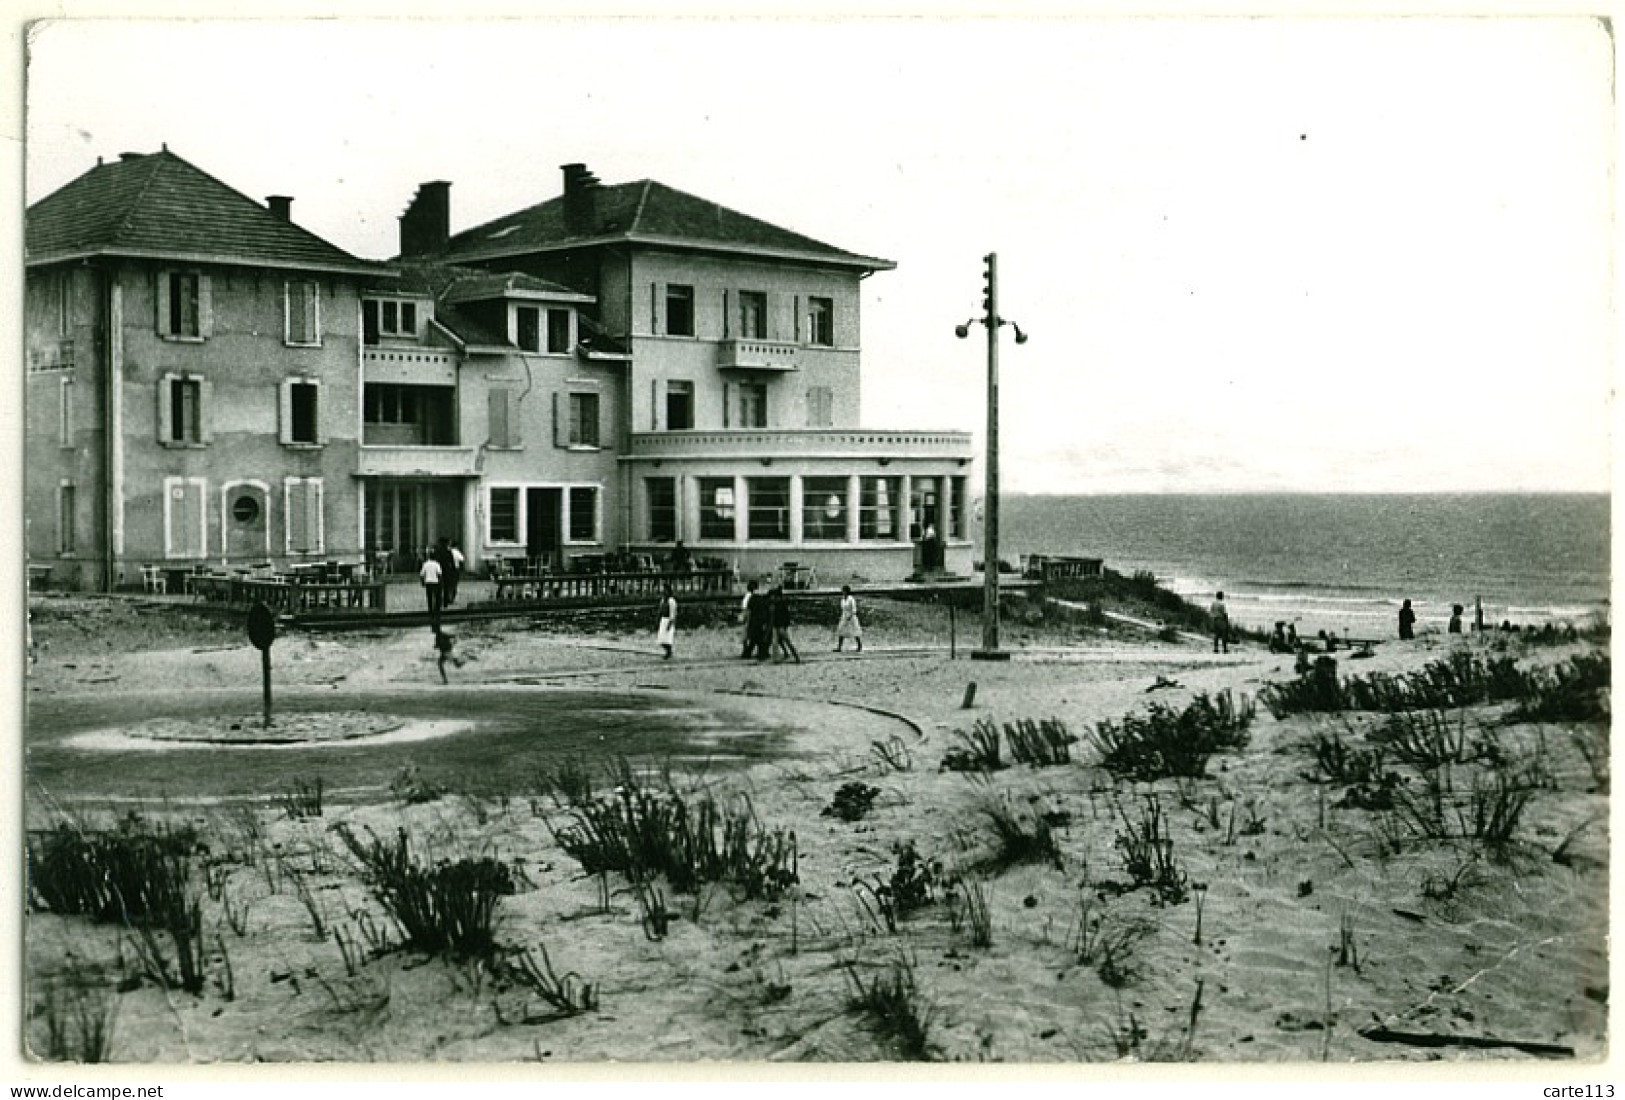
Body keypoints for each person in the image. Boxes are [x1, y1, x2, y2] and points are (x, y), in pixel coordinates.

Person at [770, 585, 801, 664]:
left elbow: (779, 616)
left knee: (784, 642)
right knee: (777, 642)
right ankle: (777, 658)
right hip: (779, 625)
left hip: (779, 625)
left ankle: (795, 656)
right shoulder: (780, 604)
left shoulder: (778, 605)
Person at [747, 579, 775, 661]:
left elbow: (750, 609)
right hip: (761, 620)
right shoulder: (766, 601)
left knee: (754, 639)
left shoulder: (753, 598)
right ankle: (762, 653)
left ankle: (749, 652)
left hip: (755, 620)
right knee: (762, 638)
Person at [433, 538, 460, 607]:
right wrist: (453, 570)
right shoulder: (448, 552)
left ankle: (438, 601)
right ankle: (445, 602)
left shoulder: (437, 552)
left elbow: (434, 561)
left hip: (438, 571)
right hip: (446, 571)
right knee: (446, 587)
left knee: (438, 587)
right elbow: (452, 562)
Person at [836, 585, 863, 653]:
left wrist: (850, 616)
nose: (843, 592)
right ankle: (839, 647)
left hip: (851, 617)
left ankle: (859, 645)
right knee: (841, 630)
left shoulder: (851, 599)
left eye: (844, 591)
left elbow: (854, 609)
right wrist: (843, 616)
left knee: (855, 631)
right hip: (844, 616)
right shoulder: (842, 599)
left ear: (847, 591)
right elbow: (843, 608)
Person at [419, 553, 444, 627]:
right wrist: (440, 582)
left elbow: (422, 574)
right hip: (435, 582)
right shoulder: (437, 564)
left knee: (429, 597)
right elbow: (439, 574)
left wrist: (422, 582)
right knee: (437, 597)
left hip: (428, 582)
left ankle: (430, 611)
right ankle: (437, 610)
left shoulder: (425, 564)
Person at [655, 585, 678, 660]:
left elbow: (673, 613)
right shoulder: (662, 600)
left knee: (668, 639)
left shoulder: (671, 601)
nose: (664, 592)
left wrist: (670, 623)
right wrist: (658, 620)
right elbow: (660, 611)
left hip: (668, 620)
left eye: (666, 591)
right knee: (661, 639)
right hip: (663, 620)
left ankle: (669, 652)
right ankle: (668, 651)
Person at [740, 580, 760, 659]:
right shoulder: (751, 596)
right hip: (749, 614)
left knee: (746, 633)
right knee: (748, 633)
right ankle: (746, 650)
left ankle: (746, 650)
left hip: (746, 613)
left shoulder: (747, 596)